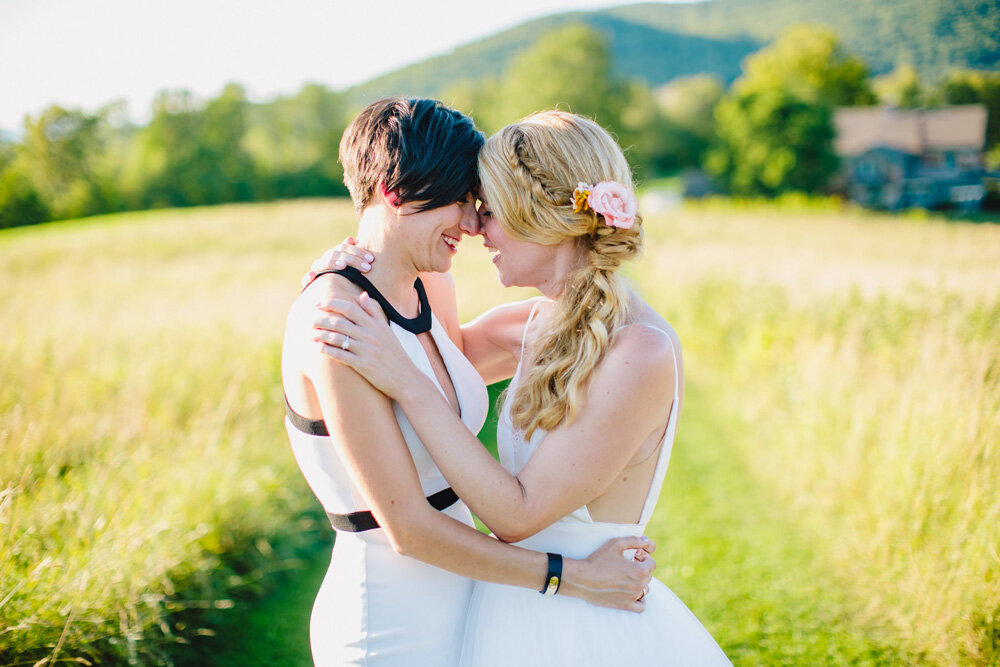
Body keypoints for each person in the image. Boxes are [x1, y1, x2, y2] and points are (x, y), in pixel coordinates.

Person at [311, 110, 732, 665]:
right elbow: (440, 355)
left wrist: (408, 385)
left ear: (539, 215)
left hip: (585, 616)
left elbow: (516, 515)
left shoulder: (639, 350)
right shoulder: (530, 324)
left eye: (488, 211)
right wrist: (357, 263)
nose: (476, 228)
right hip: (512, 605)